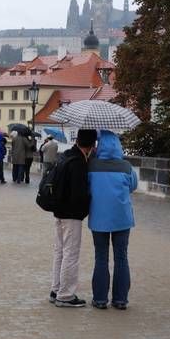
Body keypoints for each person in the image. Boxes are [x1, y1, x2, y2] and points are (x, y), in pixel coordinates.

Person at [87, 130, 138, 309]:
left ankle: (100, 299)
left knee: (101, 257)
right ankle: (120, 299)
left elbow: (87, 189)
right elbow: (133, 186)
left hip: (99, 218)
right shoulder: (126, 166)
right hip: (122, 218)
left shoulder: (92, 166)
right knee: (121, 258)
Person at [49, 129, 97, 307]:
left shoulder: (66, 155)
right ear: (92, 145)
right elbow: (79, 195)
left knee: (60, 252)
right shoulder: (78, 162)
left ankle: (56, 289)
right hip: (71, 214)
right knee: (71, 254)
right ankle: (66, 295)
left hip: (59, 211)